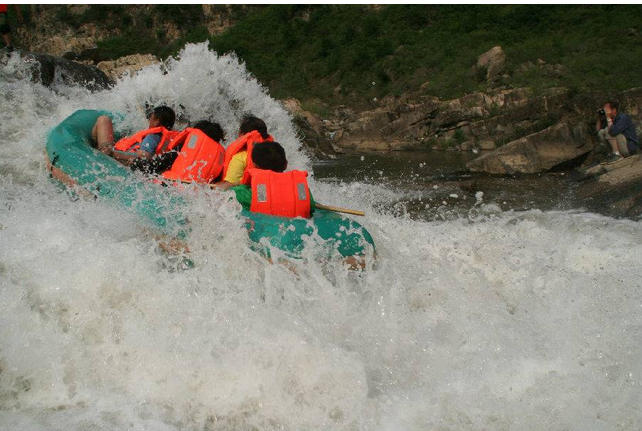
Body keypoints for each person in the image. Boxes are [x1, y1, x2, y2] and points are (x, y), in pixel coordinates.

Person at [230, 141, 315, 218]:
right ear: (285, 164)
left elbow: (223, 196)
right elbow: (310, 208)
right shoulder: (303, 190)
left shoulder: (246, 193)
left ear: (255, 166)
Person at [132, 119, 226, 184]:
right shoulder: (220, 155)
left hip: (172, 184)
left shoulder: (192, 141)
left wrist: (137, 163)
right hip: (197, 193)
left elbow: (162, 163)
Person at [92, 106, 178, 166]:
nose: (149, 121)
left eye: (150, 118)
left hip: (114, 158)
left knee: (103, 120)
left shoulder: (152, 137)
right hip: (119, 156)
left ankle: (93, 145)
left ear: (157, 122)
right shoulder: (165, 138)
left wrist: (112, 152)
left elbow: (144, 156)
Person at [215, 115, 274, 190]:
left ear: (242, 135)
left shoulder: (240, 158)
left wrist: (207, 187)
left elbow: (228, 185)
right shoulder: (272, 154)